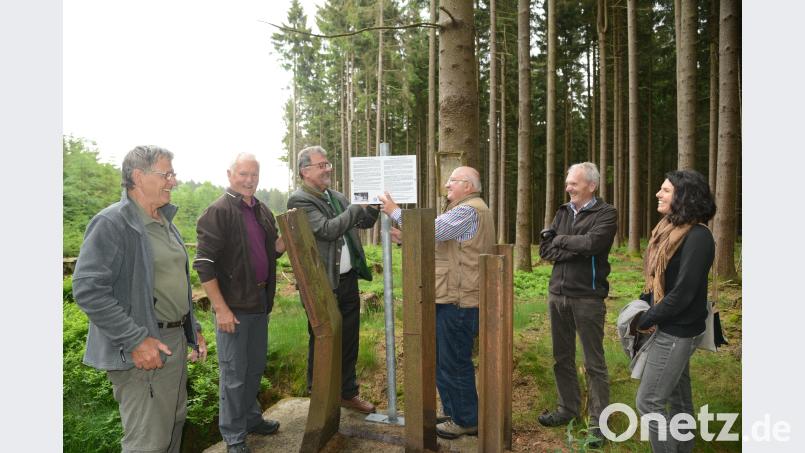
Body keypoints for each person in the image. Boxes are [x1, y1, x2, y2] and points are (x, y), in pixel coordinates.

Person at [73, 145, 207, 453]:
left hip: (172, 342)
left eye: (172, 174)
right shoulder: (112, 223)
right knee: (148, 442)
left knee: (172, 428)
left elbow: (170, 282)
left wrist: (192, 326)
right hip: (142, 350)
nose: (173, 181)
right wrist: (135, 340)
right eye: (166, 174)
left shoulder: (164, 223)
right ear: (138, 176)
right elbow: (88, 289)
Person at [378, 166, 495, 439]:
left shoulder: (469, 210)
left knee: (453, 361)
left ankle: (466, 419)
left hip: (458, 299)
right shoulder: (467, 208)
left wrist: (395, 211)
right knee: (446, 360)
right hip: (453, 295)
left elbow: (433, 230)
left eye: (453, 181)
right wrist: (405, 237)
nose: (447, 185)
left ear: (468, 185)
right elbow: (441, 241)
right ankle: (456, 413)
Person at [194, 153, 285, 453]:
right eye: (243, 174)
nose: (249, 180)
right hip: (232, 308)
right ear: (230, 174)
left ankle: (251, 418)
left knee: (254, 367)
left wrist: (290, 237)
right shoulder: (217, 212)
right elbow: (204, 264)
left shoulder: (262, 211)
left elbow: (269, 252)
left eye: (254, 175)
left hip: (259, 301)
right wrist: (220, 308)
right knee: (233, 374)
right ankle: (233, 437)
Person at [287, 145, 379, 414]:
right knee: (324, 338)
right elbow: (327, 230)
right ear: (305, 171)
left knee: (349, 338)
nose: (328, 168)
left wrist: (370, 206)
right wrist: (355, 207)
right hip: (321, 283)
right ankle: (321, 395)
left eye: (328, 164)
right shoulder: (300, 200)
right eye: (322, 165)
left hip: (347, 280)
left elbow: (362, 223)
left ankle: (347, 393)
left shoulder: (335, 196)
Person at [634, 170, 716, 452]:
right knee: (680, 399)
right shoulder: (669, 230)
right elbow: (662, 280)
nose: (658, 194)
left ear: (684, 196)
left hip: (677, 331)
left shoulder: (698, 237)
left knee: (649, 402)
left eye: (665, 190)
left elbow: (683, 294)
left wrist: (648, 318)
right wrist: (644, 303)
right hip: (672, 325)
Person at [538, 162, 616, 448]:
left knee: (594, 363)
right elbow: (546, 250)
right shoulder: (562, 211)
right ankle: (567, 408)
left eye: (574, 183)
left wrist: (560, 242)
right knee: (562, 357)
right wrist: (570, 245)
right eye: (568, 182)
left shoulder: (606, 213)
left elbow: (593, 244)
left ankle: (599, 425)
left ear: (591, 186)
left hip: (588, 297)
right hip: (557, 294)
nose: (568, 187)